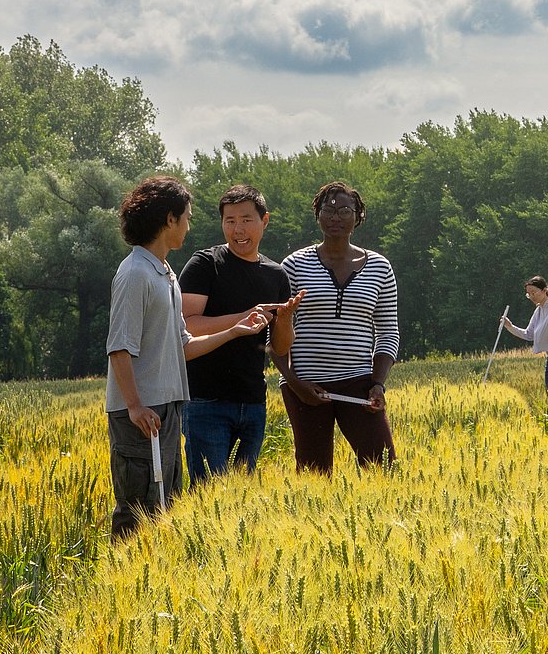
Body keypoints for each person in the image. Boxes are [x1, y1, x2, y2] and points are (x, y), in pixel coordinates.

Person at [105, 176, 269, 537]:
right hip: (141, 413)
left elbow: (183, 345)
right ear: (169, 220)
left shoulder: (165, 274)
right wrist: (134, 406)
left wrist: (234, 331)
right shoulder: (134, 273)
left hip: (166, 408)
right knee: (138, 508)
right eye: (187, 217)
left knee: (164, 505)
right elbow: (119, 346)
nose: (189, 225)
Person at [179, 185, 303, 482]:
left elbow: (281, 348)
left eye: (246, 219)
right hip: (205, 401)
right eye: (230, 221)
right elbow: (186, 325)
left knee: (240, 499)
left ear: (265, 220)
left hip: (252, 402)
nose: (238, 229)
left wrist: (284, 319)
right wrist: (243, 318)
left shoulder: (276, 275)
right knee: (207, 495)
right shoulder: (205, 264)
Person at [273, 181, 399, 473]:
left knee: (383, 468)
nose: (336, 217)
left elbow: (388, 331)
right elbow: (274, 331)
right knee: (313, 473)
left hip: (358, 382)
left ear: (358, 217)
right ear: (317, 215)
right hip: (305, 384)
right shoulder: (293, 265)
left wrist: (377, 383)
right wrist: (294, 382)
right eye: (328, 210)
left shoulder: (380, 267)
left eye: (345, 210)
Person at [503, 275, 548, 389]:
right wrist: (510, 326)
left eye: (534, 292)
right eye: (529, 294)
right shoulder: (538, 311)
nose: (532, 296)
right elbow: (529, 334)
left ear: (544, 291)